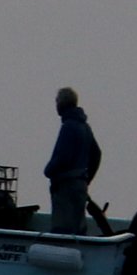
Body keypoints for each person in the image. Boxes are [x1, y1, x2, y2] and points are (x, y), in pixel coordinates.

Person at [44, 86, 102, 233]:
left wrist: (48, 171)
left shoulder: (68, 127)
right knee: (78, 229)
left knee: (62, 230)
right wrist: (86, 179)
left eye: (57, 101)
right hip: (80, 186)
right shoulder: (85, 127)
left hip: (66, 187)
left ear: (62, 103)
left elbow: (63, 158)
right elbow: (97, 154)